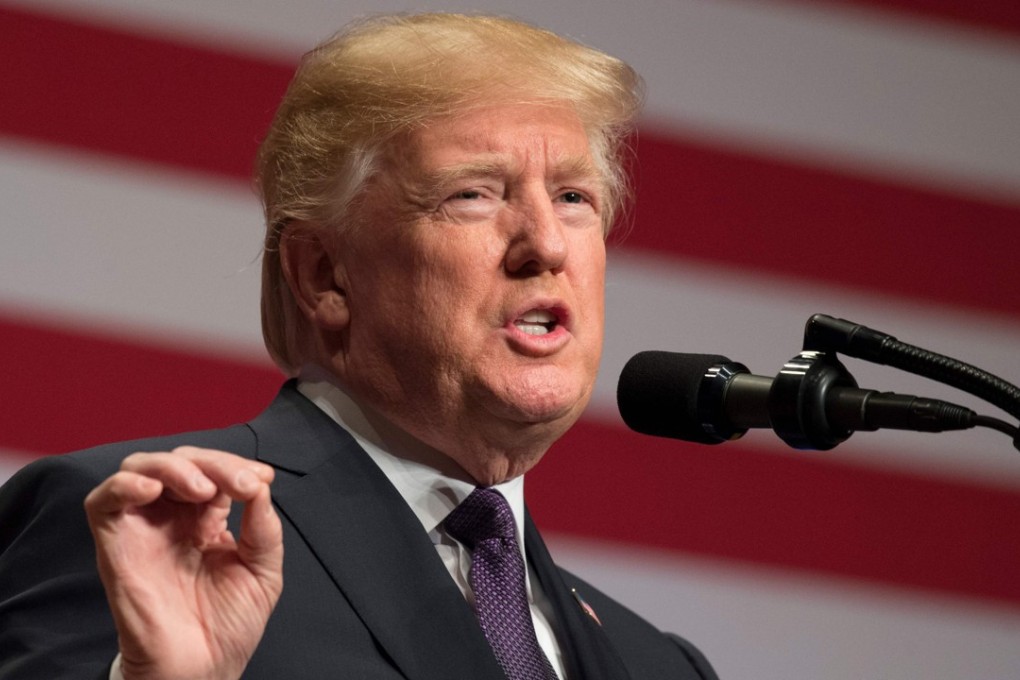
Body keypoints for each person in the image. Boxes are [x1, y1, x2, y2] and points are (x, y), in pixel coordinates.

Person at [0, 13, 718, 680]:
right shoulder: (154, 541)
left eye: (573, 197)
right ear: (325, 275)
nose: (546, 244)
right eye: (472, 194)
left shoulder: (657, 664)